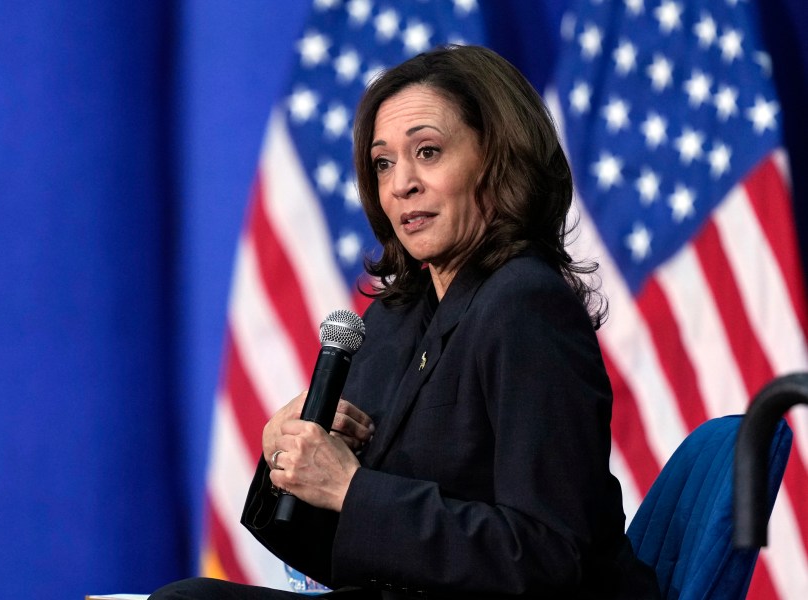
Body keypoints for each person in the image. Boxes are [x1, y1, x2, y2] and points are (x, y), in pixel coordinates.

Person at [151, 45, 660, 599]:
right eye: (384, 162)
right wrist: (292, 465)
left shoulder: (527, 306)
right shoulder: (399, 314)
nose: (400, 185)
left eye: (429, 152)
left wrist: (351, 487)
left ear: (498, 159)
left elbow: (547, 554)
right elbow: (347, 551)